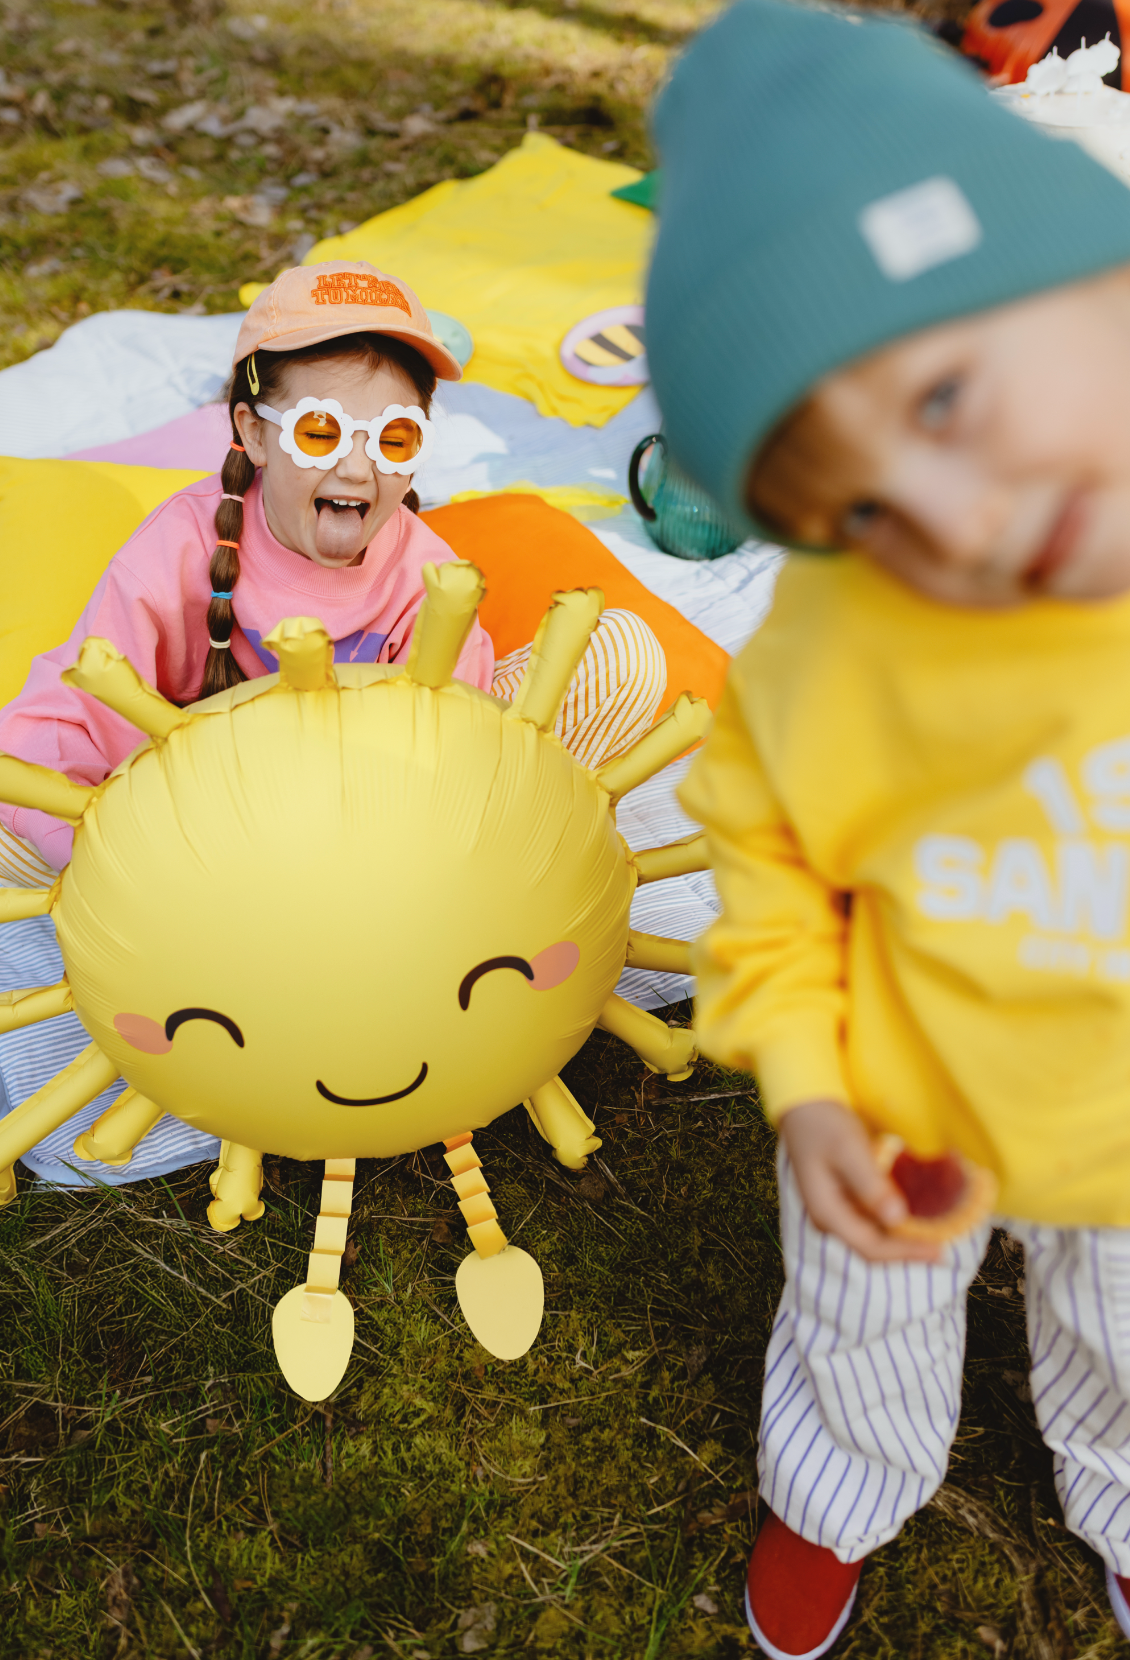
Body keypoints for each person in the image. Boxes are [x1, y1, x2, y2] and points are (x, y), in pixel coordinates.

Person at [644, 2, 1130, 1655]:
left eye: (936, 404)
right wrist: (810, 1087)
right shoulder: (834, 657)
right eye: (857, 517)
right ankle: (839, 1484)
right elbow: (769, 883)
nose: (950, 528)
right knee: (864, 1303)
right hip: (910, 1061)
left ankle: (1124, 1488)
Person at [0, 260, 667, 883]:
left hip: (377, 808)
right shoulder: (173, 553)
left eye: (394, 438)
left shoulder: (431, 577)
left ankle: (418, 887)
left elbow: (458, 743)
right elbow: (75, 716)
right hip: (203, 814)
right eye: (320, 432)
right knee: (1, 820)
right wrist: (129, 850)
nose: (357, 467)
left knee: (621, 656)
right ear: (253, 433)